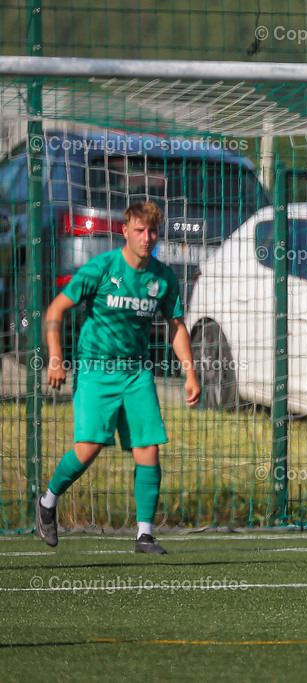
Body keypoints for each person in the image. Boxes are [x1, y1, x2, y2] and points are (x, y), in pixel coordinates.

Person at [34, 201, 202, 554]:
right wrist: (54, 357)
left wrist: (190, 373)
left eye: (152, 231)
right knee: (89, 448)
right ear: (125, 230)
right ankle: (47, 502)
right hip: (96, 368)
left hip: (137, 372)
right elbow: (56, 309)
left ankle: (144, 534)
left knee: (148, 449)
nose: (147, 237)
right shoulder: (102, 267)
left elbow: (176, 327)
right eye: (139, 230)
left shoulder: (162, 277)